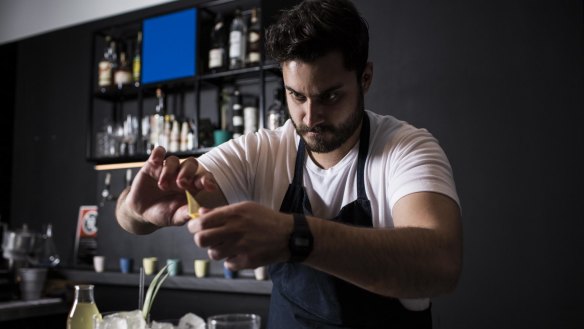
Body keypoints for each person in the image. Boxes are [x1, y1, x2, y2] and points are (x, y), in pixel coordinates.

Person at [115, 0, 462, 327]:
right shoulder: (262, 151)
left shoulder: (407, 149)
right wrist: (138, 211)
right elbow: (133, 217)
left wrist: (294, 236)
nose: (310, 116)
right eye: (297, 96)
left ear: (365, 78)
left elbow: (441, 263)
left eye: (330, 96)